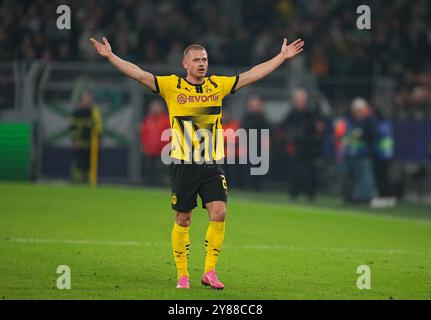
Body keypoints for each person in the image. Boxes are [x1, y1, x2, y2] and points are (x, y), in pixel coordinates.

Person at [90, 36, 304, 289]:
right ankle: (183, 274)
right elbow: (139, 74)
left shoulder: (217, 85)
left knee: (220, 212)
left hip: (212, 164)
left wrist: (281, 57)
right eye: (196, 60)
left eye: (204, 59)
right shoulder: (172, 86)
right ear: (185, 63)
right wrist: (111, 56)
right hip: (183, 164)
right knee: (183, 219)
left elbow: (251, 75)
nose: (202, 64)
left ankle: (210, 272)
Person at [280, 88, 325, 202]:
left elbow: (321, 128)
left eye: (302, 100)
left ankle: (311, 195)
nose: (300, 102)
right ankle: (293, 194)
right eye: (298, 100)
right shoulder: (291, 114)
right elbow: (283, 128)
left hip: (310, 148)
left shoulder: (312, 113)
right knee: (295, 172)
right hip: (297, 148)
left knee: (311, 173)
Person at [342, 98, 377, 204]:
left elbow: (371, 136)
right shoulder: (352, 121)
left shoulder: (370, 121)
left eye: (359, 110)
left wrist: (360, 134)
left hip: (364, 154)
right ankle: (352, 197)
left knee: (365, 177)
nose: (357, 113)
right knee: (353, 177)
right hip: (352, 153)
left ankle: (366, 198)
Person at [70, 90, 103, 183]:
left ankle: (89, 180)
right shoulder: (77, 112)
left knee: (91, 163)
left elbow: (98, 126)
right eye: (86, 100)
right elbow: (73, 127)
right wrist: (74, 140)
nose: (88, 102)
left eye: (89, 100)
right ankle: (77, 180)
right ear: (81, 101)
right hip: (80, 143)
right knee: (80, 162)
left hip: (92, 143)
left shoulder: (94, 112)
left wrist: (99, 139)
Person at [241, 94, 271, 191]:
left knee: (259, 169)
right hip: (248, 147)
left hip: (260, 148)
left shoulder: (263, 119)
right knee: (248, 169)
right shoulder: (246, 118)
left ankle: (258, 187)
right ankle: (248, 186)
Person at [140, 100, 170, 186]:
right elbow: (144, 134)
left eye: (157, 107)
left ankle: (159, 184)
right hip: (150, 150)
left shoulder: (165, 119)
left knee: (160, 168)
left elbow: (169, 135)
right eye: (153, 107)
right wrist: (143, 145)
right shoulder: (147, 119)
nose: (155, 109)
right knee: (149, 168)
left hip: (162, 150)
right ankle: (150, 184)